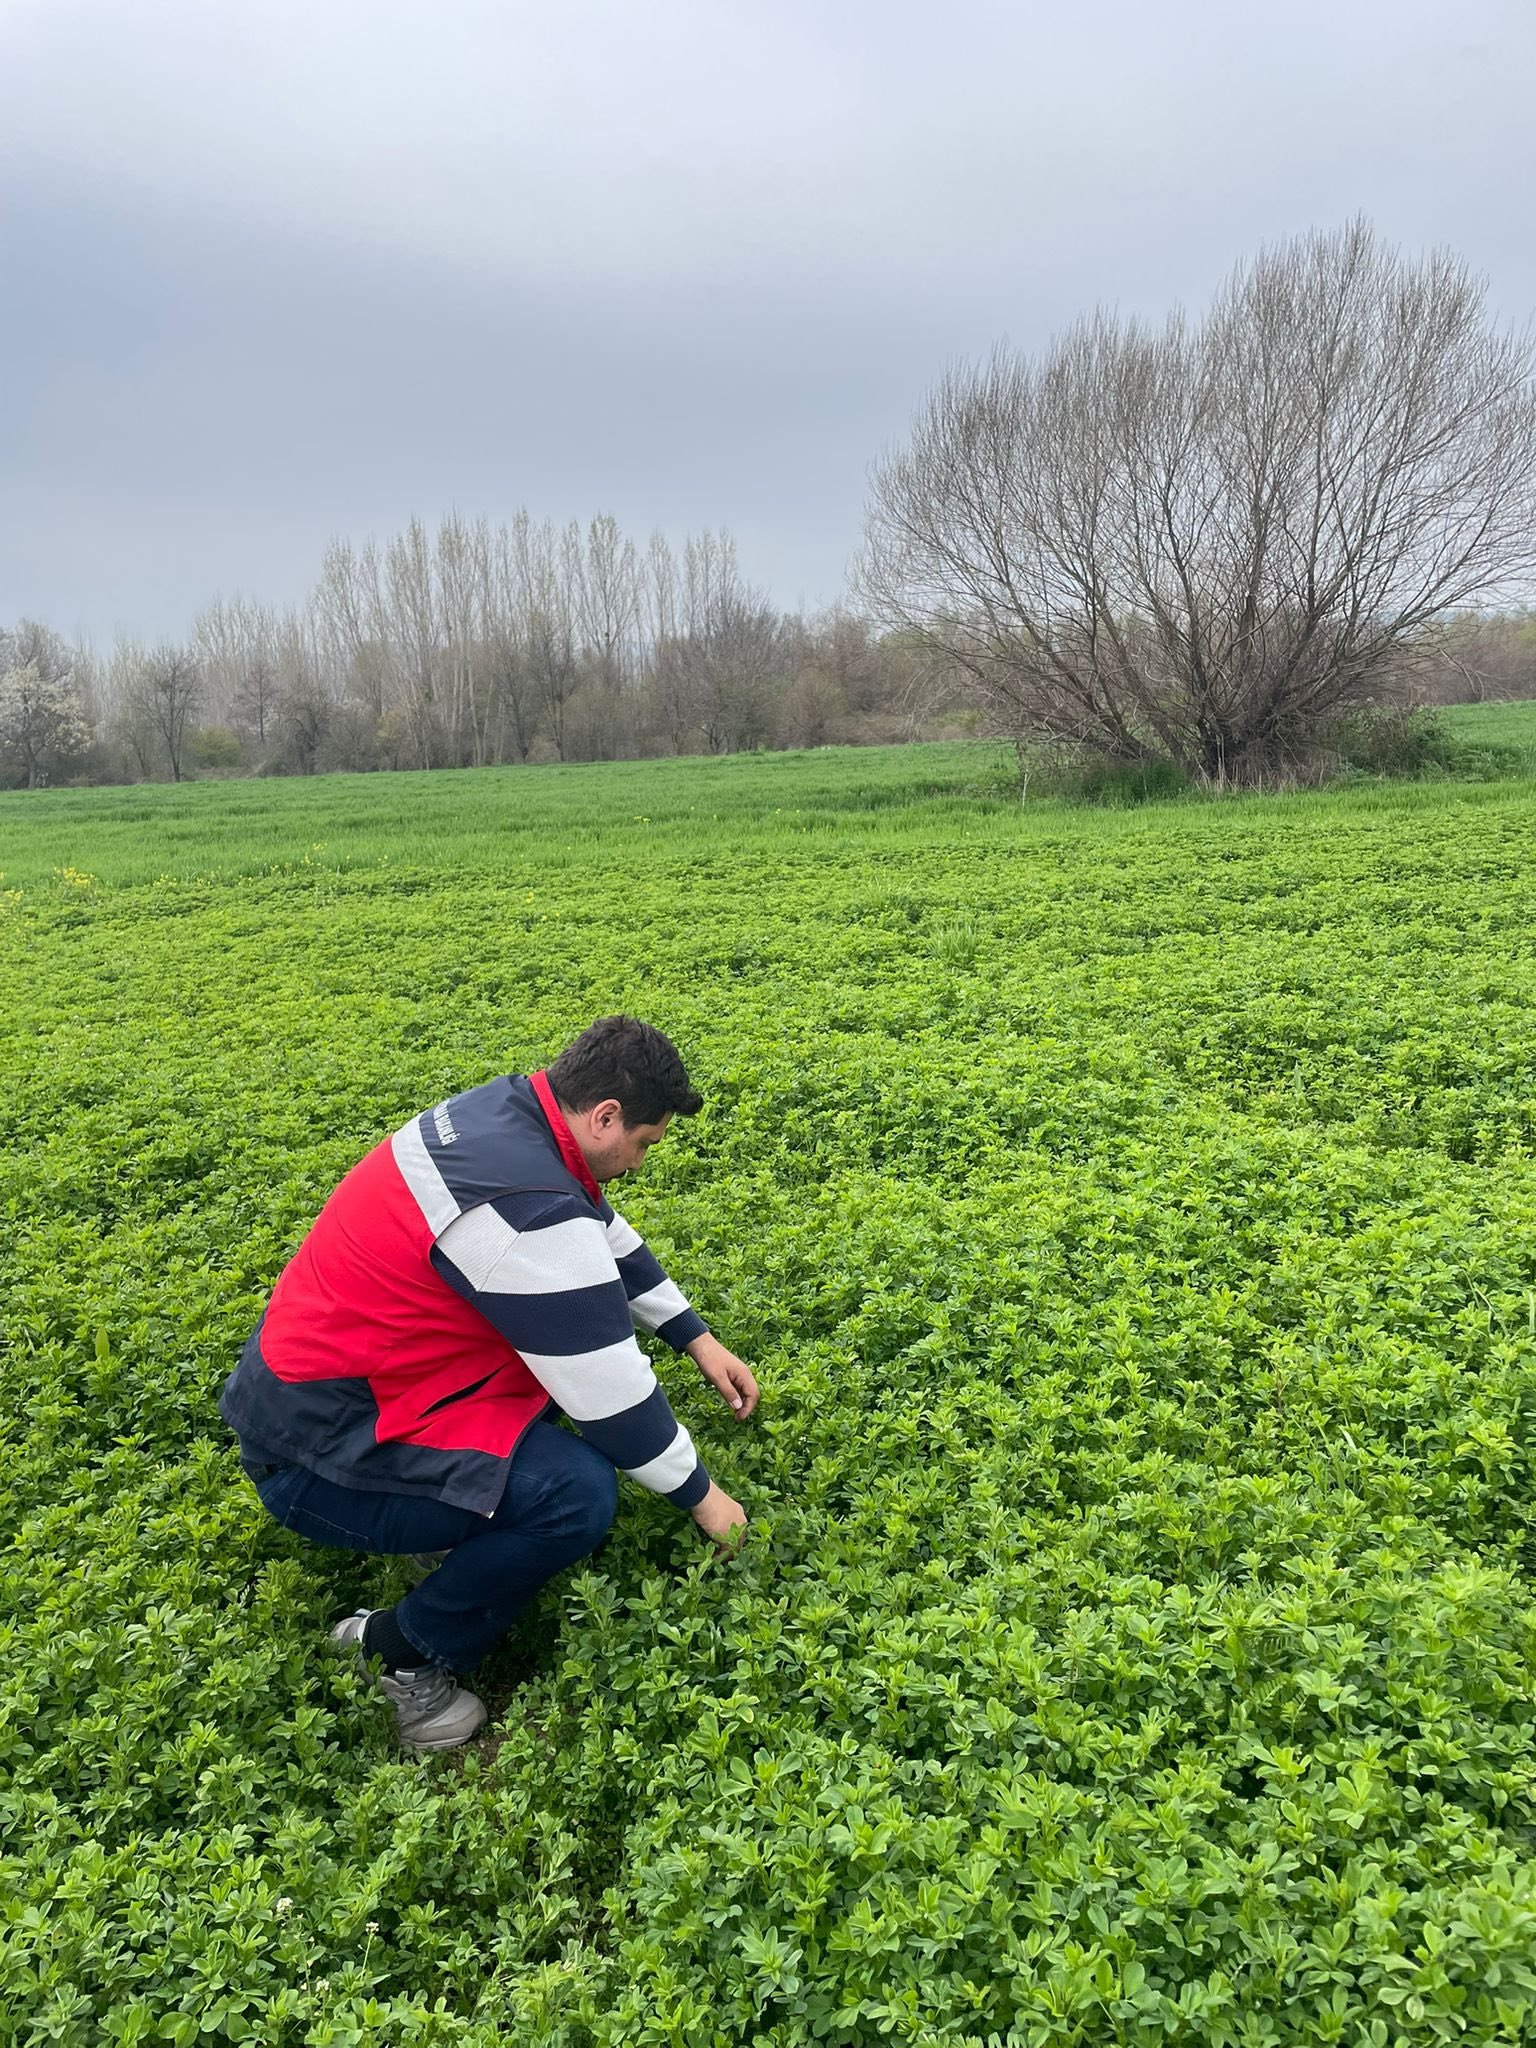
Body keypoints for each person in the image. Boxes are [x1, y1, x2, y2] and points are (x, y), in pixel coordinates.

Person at [220, 1016, 756, 1751]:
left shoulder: (505, 1115)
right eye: (643, 1142)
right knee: (576, 1494)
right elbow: (612, 1398)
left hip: (319, 1395)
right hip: (315, 1456)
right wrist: (706, 1499)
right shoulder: (523, 1210)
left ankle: (446, 1529)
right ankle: (396, 1653)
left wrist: (693, 1335)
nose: (638, 1162)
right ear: (605, 1117)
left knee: (537, 1419)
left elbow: (596, 1225)